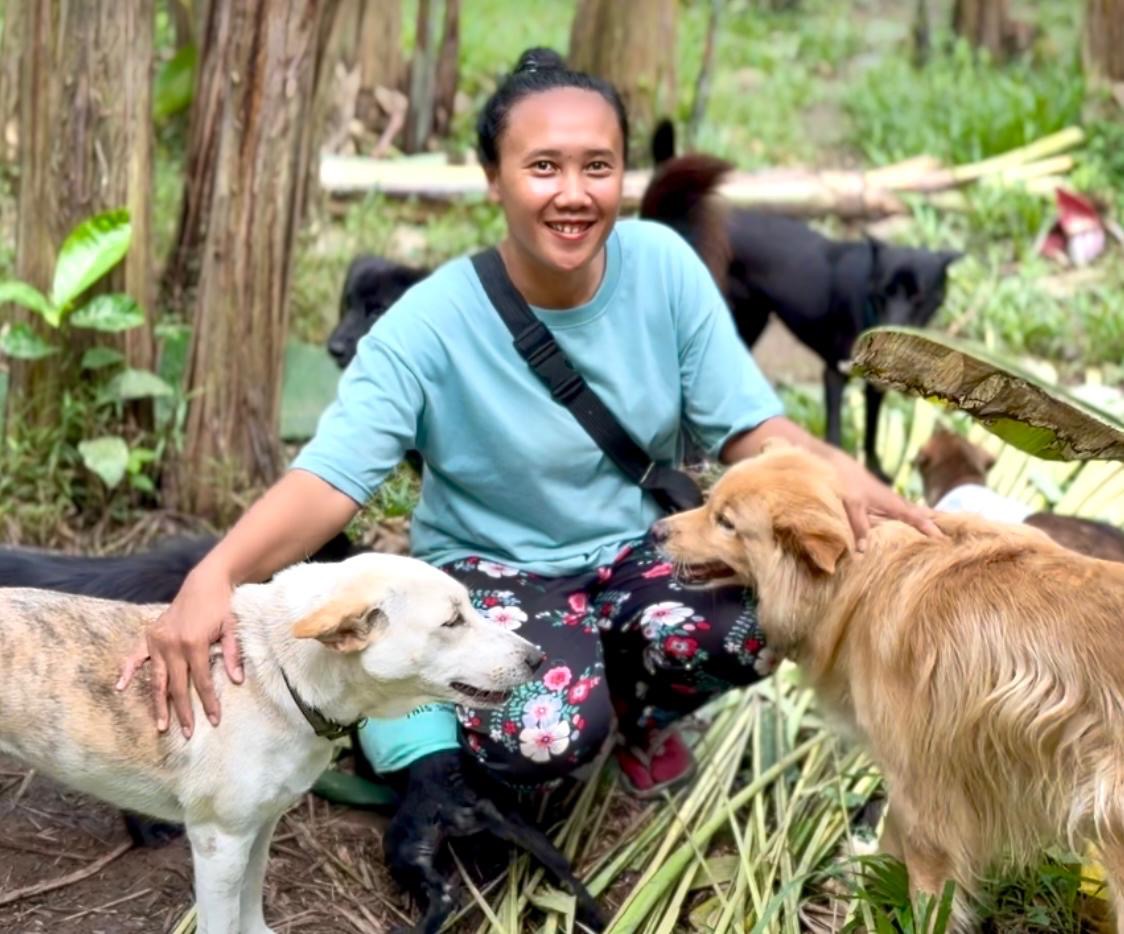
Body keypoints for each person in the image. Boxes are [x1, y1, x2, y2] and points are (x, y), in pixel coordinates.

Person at [117, 48, 938, 799]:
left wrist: (845, 481)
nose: (573, 193)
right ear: (493, 179)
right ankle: (498, 717)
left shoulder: (664, 268)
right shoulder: (429, 322)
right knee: (546, 738)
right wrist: (217, 574)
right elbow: (330, 480)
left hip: (637, 547)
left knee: (768, 621)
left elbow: (751, 428)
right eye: (543, 166)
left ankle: (633, 713)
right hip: (496, 570)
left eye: (597, 167)